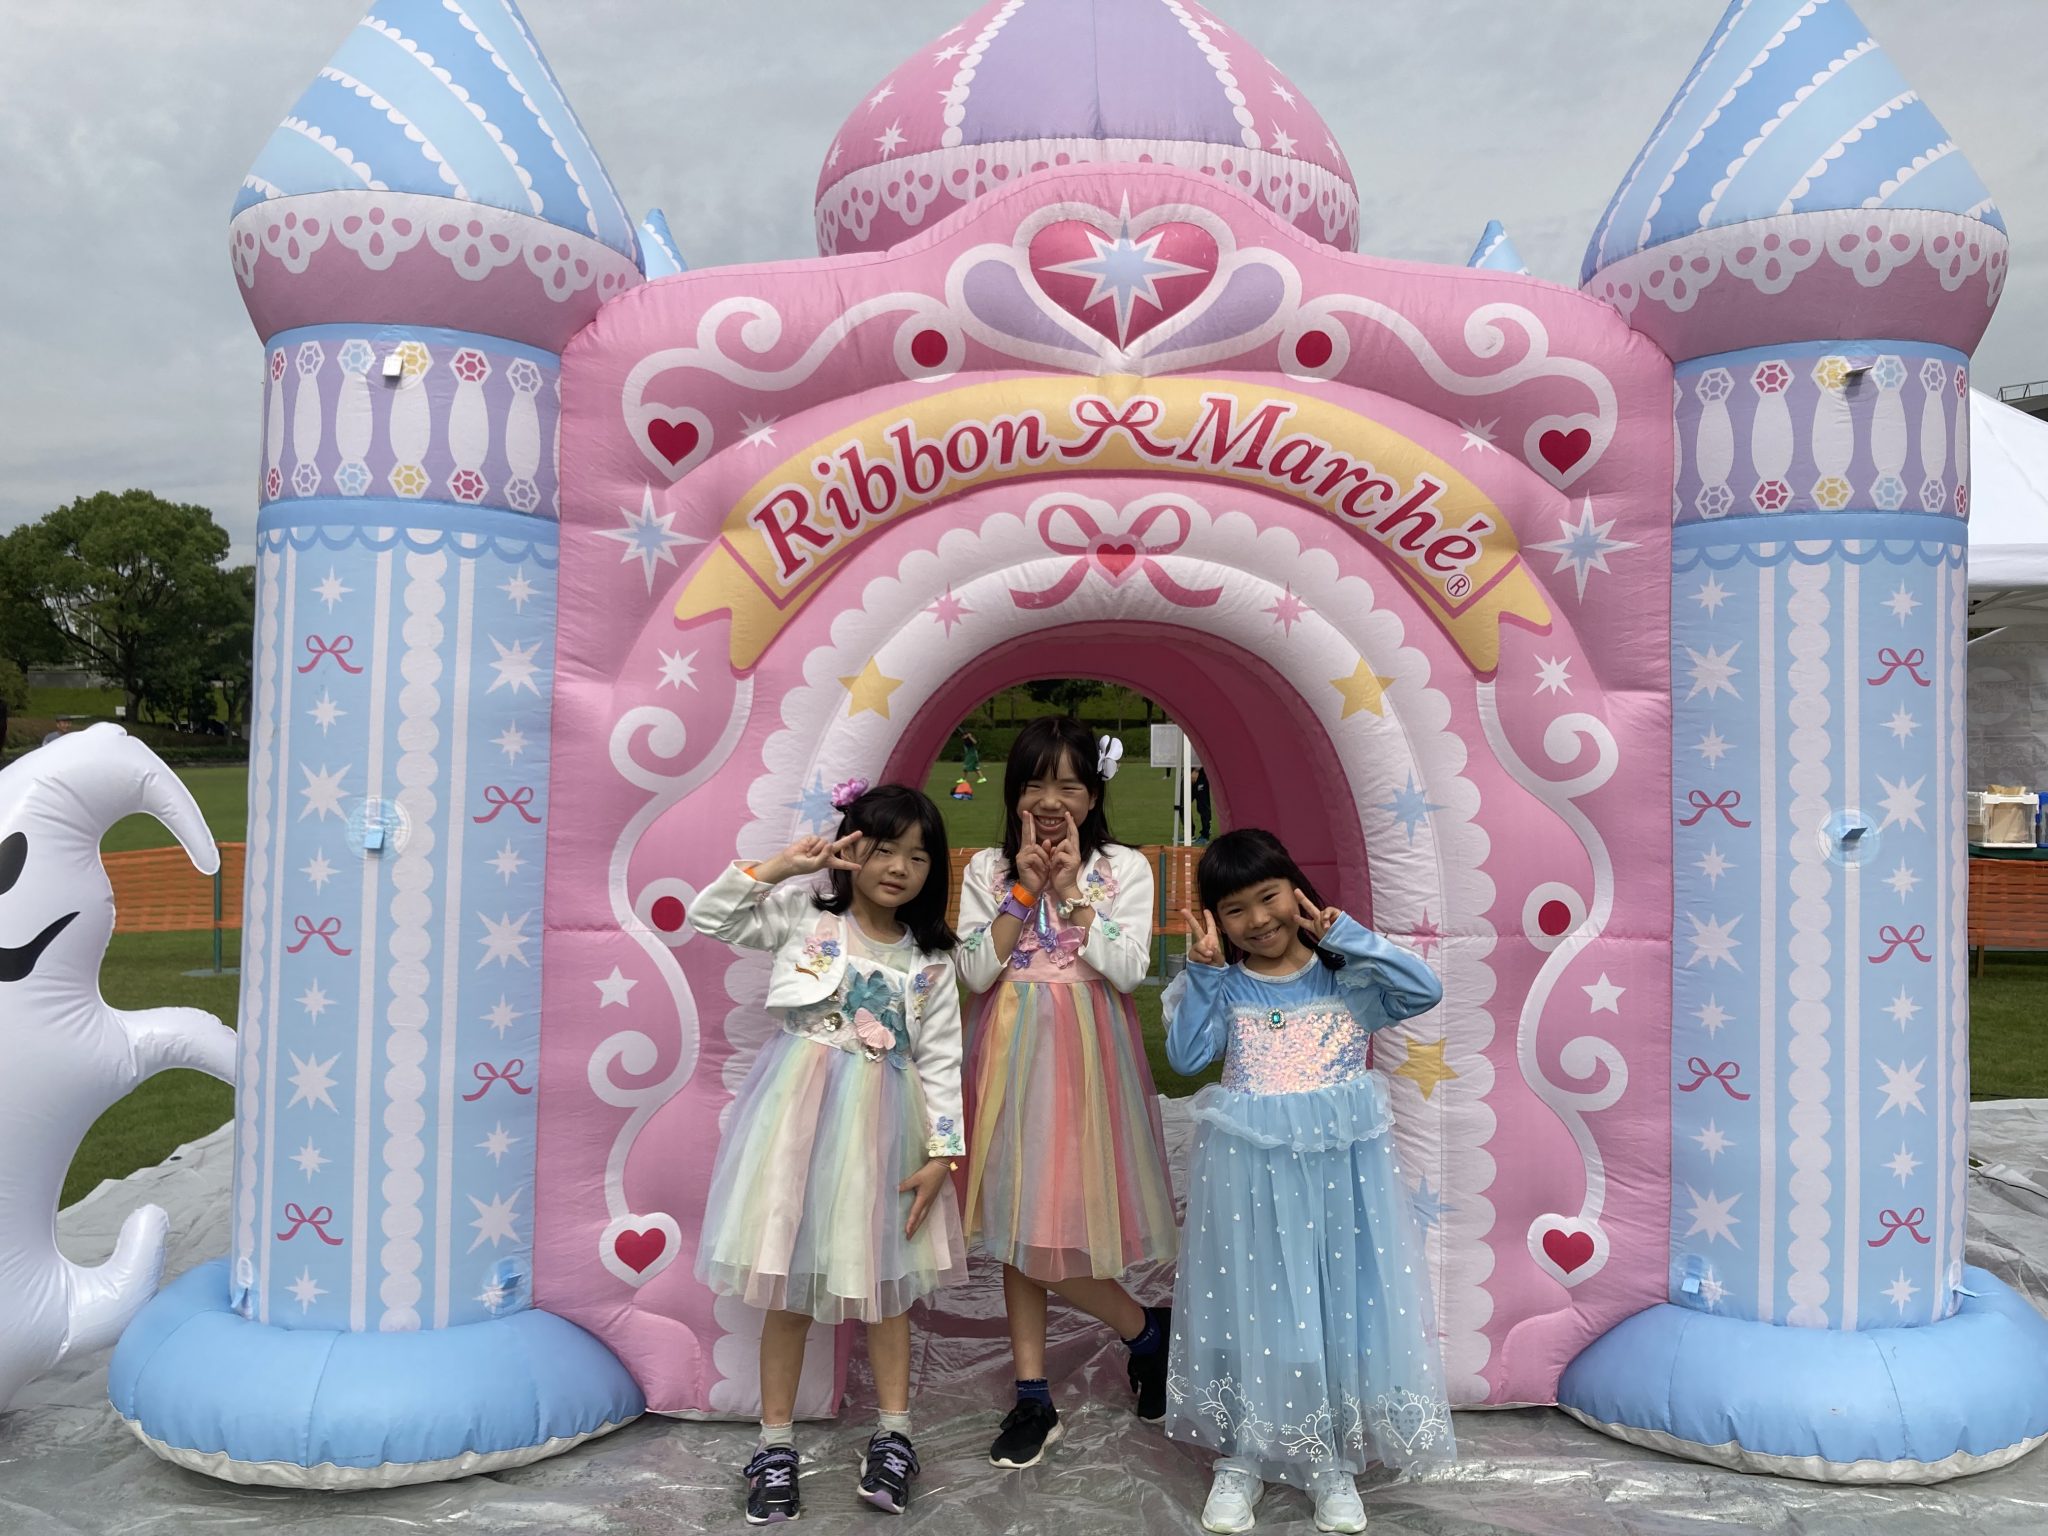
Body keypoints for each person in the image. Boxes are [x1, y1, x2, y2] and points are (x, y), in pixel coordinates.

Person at [689, 779, 968, 1523]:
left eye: (918, 856)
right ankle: (774, 1445)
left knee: (887, 1288)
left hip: (887, 1135)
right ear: (851, 850)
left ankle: (895, 1437)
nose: (899, 867)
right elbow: (710, 915)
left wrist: (942, 1157)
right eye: (884, 849)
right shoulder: (806, 917)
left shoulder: (931, 960)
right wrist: (782, 866)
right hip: (797, 1126)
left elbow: (942, 1060)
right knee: (790, 1287)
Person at [1164, 829, 1454, 1534]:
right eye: (1235, 910)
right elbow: (1186, 1057)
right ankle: (1244, 1453)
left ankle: (1332, 1460)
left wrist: (1347, 936)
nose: (1258, 920)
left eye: (1269, 898)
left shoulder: (1347, 979)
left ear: (1296, 891)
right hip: (1251, 1184)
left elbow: (1425, 989)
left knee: (1334, 1307)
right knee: (1254, 1307)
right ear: (1216, 920)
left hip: (1338, 1185)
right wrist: (1202, 973)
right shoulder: (1227, 986)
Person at [956, 714, 1178, 1469]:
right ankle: (1036, 1393)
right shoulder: (988, 869)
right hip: (1008, 1054)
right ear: (1013, 792)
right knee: (1017, 1220)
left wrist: (1075, 891)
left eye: (1069, 786)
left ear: (1093, 794)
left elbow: (1130, 970)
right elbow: (974, 974)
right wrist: (1023, 889)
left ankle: (1145, 1331)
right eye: (1035, 784)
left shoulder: (1125, 868)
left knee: (1052, 1229)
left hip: (1088, 1058)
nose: (1051, 801)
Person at [1191, 765, 1213, 842]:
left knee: (1203, 806)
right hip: (1188, 772)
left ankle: (1205, 834)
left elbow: (1203, 757)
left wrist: (1196, 770)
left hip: (1200, 775)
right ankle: (1189, 833)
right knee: (1183, 804)